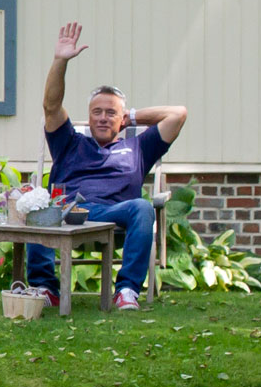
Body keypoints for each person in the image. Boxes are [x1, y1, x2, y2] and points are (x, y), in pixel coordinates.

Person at [33, 21, 188, 311]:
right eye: (97, 112)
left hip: (115, 212)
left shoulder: (139, 147)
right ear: (88, 117)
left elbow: (178, 114)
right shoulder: (69, 141)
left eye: (110, 113)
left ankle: (127, 291)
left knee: (143, 206)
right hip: (68, 208)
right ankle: (45, 288)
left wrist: (132, 116)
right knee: (39, 205)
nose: (103, 118)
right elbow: (51, 107)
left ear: (122, 119)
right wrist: (60, 61)